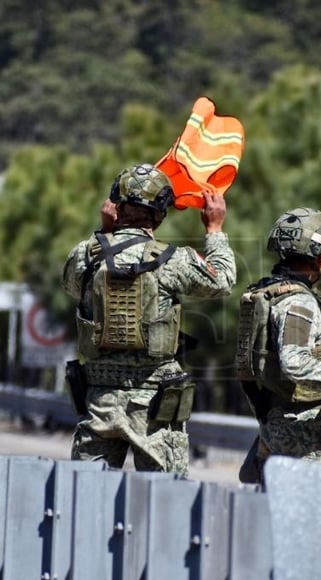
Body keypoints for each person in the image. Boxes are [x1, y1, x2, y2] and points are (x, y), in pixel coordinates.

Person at [61, 162, 236, 475]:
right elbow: (222, 280)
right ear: (160, 214)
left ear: (115, 207)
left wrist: (104, 233)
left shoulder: (85, 255)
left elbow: (73, 287)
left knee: (85, 496)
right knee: (165, 499)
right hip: (154, 407)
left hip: (99, 400)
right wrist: (214, 229)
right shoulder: (172, 259)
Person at [235, 207, 321, 484]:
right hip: (303, 436)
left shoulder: (269, 292)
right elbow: (294, 360)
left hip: (276, 424)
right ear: (319, 255)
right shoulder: (299, 301)